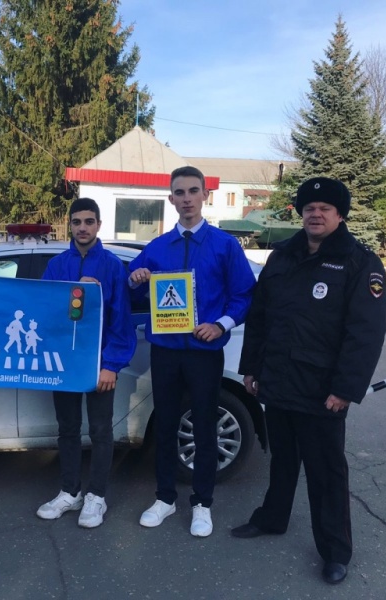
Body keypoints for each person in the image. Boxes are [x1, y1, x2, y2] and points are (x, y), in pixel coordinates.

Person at [231, 177, 386, 585]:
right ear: (301, 213)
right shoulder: (282, 257)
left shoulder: (359, 262)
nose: (315, 214)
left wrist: (345, 389)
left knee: (326, 472)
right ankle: (273, 518)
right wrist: (252, 368)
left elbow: (365, 333)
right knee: (282, 460)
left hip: (323, 391)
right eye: (309, 208)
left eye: (324, 208)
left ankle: (336, 551)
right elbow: (260, 317)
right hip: (278, 381)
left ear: (339, 215)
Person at [128, 166, 255, 537]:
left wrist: (221, 324)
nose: (186, 199)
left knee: (204, 427)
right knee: (165, 424)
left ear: (204, 196)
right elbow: (132, 290)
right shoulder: (156, 248)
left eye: (193, 191)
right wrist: (135, 280)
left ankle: (202, 503)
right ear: (171, 199)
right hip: (165, 350)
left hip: (204, 351)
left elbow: (244, 293)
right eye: (179, 192)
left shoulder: (224, 245)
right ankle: (165, 498)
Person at [36, 197, 136, 528]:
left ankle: (96, 496)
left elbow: (121, 321)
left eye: (89, 221)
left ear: (99, 225)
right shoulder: (56, 266)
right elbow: (47, 317)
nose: (82, 227)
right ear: (70, 224)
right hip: (64, 364)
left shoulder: (111, 266)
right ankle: (70, 491)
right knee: (67, 429)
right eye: (77, 222)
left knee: (100, 430)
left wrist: (111, 364)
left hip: (98, 366)